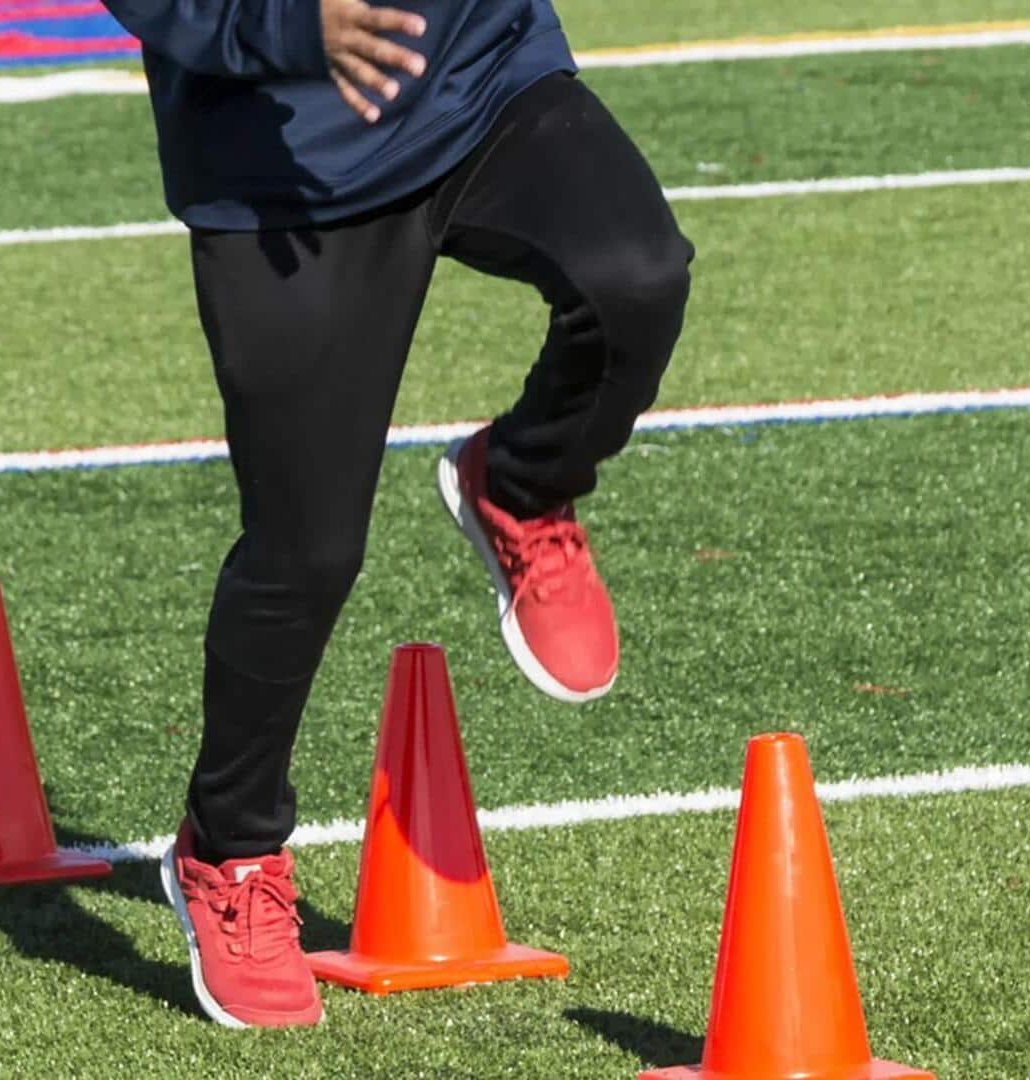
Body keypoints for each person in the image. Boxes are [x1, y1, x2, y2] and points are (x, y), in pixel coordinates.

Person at [97, 0, 693, 1028]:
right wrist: (289, 30)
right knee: (308, 551)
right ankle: (228, 850)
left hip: (482, 81)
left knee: (635, 277)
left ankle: (524, 483)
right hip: (282, 175)